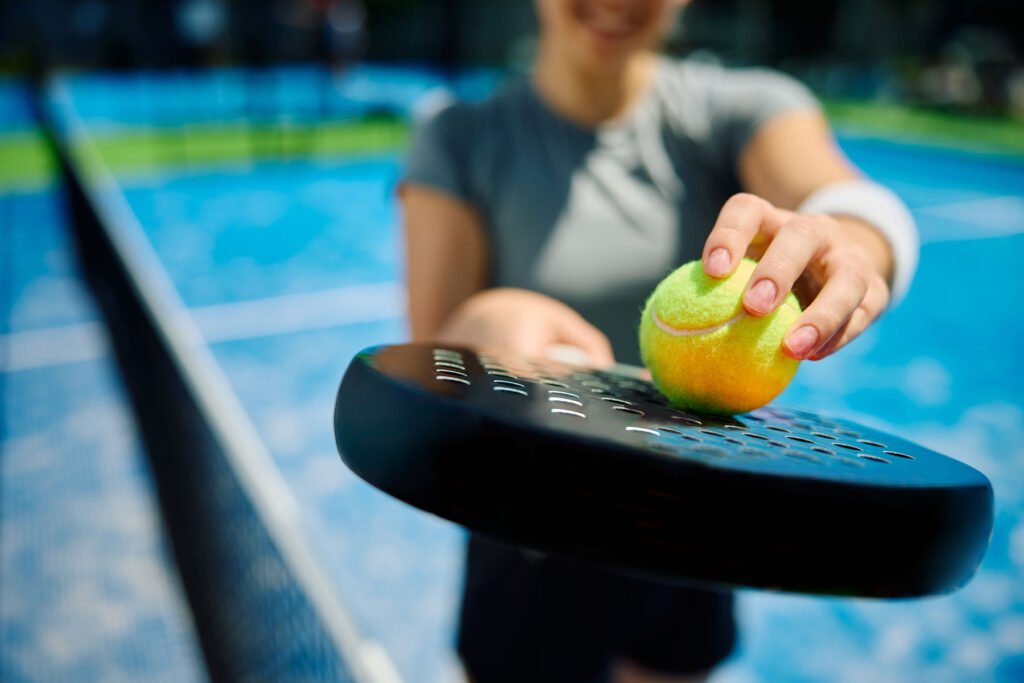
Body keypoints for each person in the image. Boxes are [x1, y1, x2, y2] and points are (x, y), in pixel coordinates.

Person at [398, 1, 918, 682]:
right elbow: (432, 353)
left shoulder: (740, 106)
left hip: (694, 519)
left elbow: (851, 200)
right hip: (530, 529)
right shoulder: (457, 136)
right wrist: (488, 325)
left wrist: (848, 245)